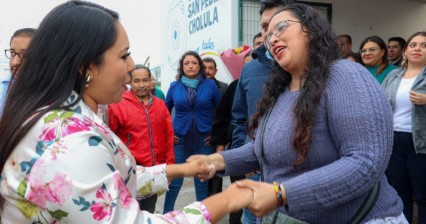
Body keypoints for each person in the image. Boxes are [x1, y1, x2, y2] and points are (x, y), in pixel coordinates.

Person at [0, 1, 253, 223]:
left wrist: (181, 169)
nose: (132, 68)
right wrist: (229, 200)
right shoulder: (70, 143)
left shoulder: (74, 114)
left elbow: (110, 178)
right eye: (124, 56)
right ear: (86, 67)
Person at [189, 3, 407, 223]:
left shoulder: (346, 75)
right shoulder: (279, 91)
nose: (272, 38)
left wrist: (280, 193)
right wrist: (216, 161)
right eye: (268, 34)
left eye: (281, 27)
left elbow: (365, 161)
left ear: (310, 29)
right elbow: (261, 151)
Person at [231, 1, 293, 223]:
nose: (270, 33)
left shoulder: (311, 68)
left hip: (295, 177)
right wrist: (242, 154)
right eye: (266, 26)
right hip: (255, 170)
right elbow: (238, 118)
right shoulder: (250, 69)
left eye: (280, 25)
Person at [107, 64, 174, 213]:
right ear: (130, 82)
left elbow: (168, 136)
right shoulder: (117, 105)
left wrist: (169, 165)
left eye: (145, 80)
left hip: (154, 170)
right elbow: (110, 139)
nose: (142, 85)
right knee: (129, 213)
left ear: (151, 81)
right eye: (137, 81)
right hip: (130, 171)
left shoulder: (160, 105)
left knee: (148, 211)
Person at [163, 51, 221, 213]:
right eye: (186, 63)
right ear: (182, 67)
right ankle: (166, 215)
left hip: (204, 140)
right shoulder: (174, 87)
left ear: (199, 66)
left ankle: (202, 217)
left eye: (194, 63)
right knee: (174, 182)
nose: (190, 66)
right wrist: (169, 134)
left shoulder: (210, 85)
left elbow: (221, 111)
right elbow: (164, 113)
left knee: (201, 181)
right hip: (179, 140)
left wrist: (215, 135)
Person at [382, 31, 426, 224]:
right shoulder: (393, 75)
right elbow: (379, 101)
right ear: (406, 51)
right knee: (400, 194)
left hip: (421, 144)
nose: (418, 49)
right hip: (393, 141)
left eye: (424, 45)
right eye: (413, 45)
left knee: (423, 195)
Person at [1, 28, 36, 114]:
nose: (14, 62)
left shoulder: (56, 95)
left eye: (24, 55)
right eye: (12, 53)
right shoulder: (2, 88)